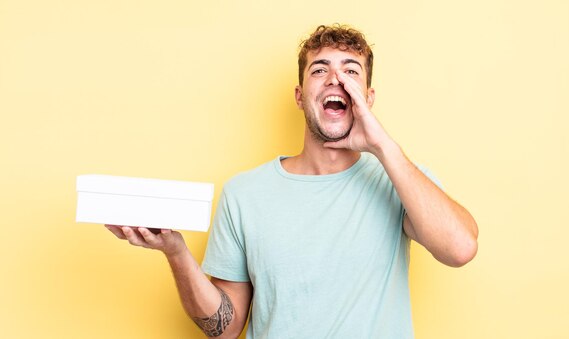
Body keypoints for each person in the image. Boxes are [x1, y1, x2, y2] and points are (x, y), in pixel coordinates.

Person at [106, 24, 478, 338]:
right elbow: (227, 326)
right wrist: (175, 252)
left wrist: (380, 144)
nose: (336, 79)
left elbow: (460, 248)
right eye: (320, 70)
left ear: (368, 97)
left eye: (351, 71)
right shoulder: (243, 194)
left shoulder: (398, 180)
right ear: (300, 97)